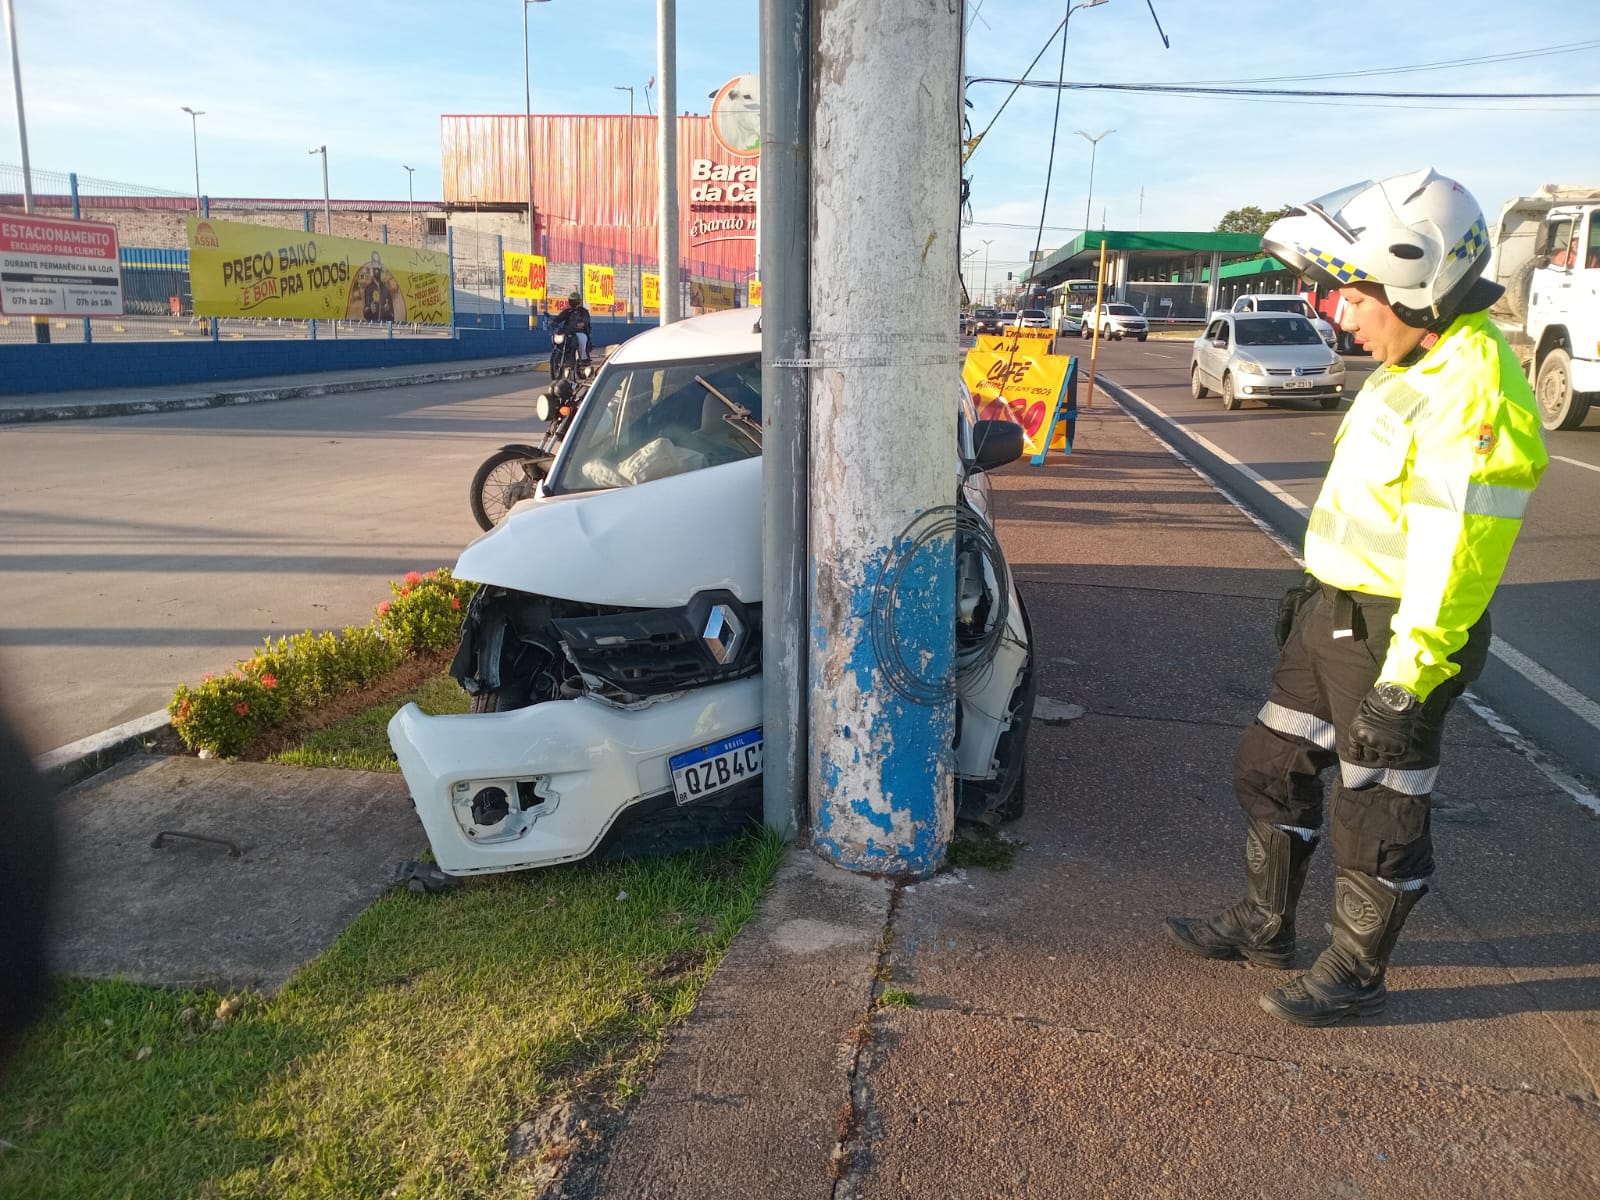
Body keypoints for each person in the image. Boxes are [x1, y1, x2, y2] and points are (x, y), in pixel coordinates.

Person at [1164, 169, 1549, 1027]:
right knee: (1272, 765)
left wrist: (1408, 677)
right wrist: (1314, 587)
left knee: (1377, 808)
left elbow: (1456, 556)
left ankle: (1356, 969)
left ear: (1416, 284)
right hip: (1334, 612)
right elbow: (1370, 507)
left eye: (1350, 295)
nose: (1338, 314)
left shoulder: (1471, 388)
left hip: (1397, 636)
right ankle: (1267, 925)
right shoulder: (1412, 361)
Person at [551, 291, 592, 361]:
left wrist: (582, 323)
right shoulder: (567, 311)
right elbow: (560, 317)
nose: (573, 302)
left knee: (582, 341)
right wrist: (553, 321)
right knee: (557, 339)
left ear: (578, 301)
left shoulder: (583, 311)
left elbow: (586, 319)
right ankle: (560, 354)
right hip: (567, 332)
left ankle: (583, 358)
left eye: (574, 301)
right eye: (571, 301)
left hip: (579, 332)